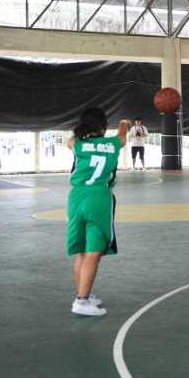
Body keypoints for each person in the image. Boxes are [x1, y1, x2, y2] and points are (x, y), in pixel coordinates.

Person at [67, 108, 129, 316]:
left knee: (83, 251)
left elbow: (72, 139)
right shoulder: (112, 144)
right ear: (103, 126)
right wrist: (123, 123)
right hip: (99, 197)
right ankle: (82, 303)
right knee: (94, 251)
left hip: (76, 198)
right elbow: (121, 137)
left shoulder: (76, 143)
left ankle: (82, 294)